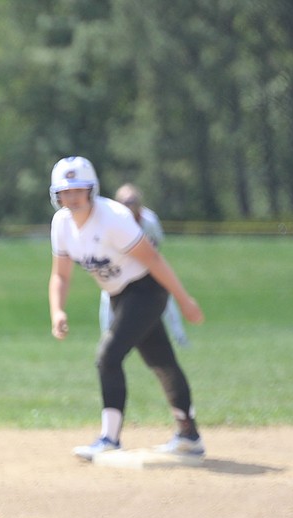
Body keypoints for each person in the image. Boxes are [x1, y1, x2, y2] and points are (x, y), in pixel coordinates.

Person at [46, 156, 205, 460]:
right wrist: (58, 311)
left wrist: (184, 300)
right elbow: (60, 275)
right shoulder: (62, 224)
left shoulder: (113, 217)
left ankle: (110, 437)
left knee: (108, 357)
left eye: (78, 190)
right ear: (57, 196)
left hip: (146, 290)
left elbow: (153, 259)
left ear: (91, 190)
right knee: (161, 361)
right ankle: (190, 435)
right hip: (120, 296)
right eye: (65, 191)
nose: (72, 197)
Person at [98, 184, 188, 347]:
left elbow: (156, 243)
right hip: (120, 269)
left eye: (132, 201)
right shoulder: (113, 221)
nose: (129, 205)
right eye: (125, 202)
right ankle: (107, 339)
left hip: (146, 267)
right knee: (107, 299)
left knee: (167, 300)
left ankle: (180, 338)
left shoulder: (149, 220)